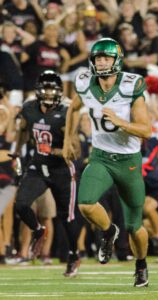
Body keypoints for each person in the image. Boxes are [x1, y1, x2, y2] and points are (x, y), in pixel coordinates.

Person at [62, 37, 151, 287]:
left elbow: (146, 130)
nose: (101, 62)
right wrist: (69, 139)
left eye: (106, 58)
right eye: (98, 58)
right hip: (100, 155)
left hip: (129, 161)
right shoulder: (85, 83)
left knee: (135, 226)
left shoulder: (130, 86)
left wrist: (122, 122)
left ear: (117, 60)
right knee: (85, 203)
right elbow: (73, 108)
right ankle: (109, 231)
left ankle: (141, 265)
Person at [12, 70, 81, 276]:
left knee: (66, 217)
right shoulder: (29, 108)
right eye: (46, 89)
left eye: (53, 90)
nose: (49, 94)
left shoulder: (66, 113)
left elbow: (75, 151)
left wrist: (55, 150)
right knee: (22, 204)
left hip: (60, 169)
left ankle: (73, 255)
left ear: (59, 92)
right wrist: (16, 152)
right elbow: (23, 130)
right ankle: (38, 230)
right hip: (38, 165)